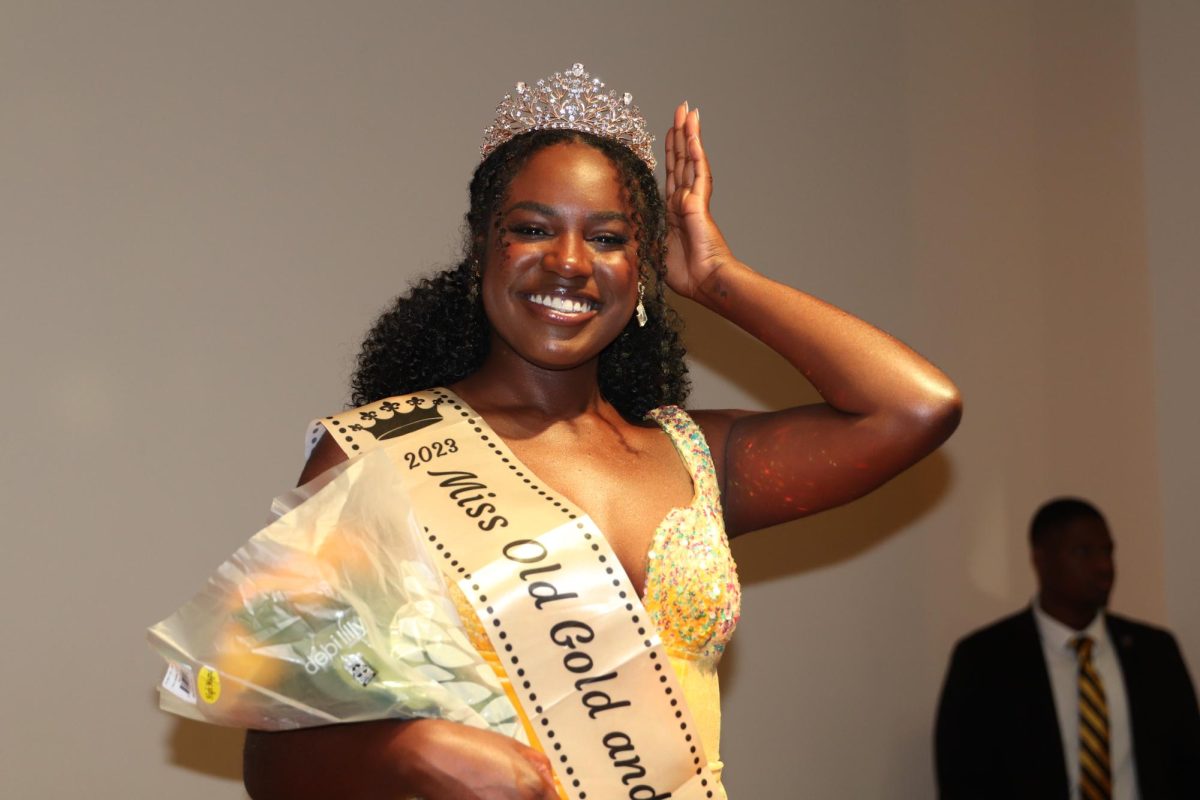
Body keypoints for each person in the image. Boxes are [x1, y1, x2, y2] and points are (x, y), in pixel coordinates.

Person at [242, 64, 961, 800]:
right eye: (531, 229)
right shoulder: (385, 452)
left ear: (643, 267)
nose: (570, 263)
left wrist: (718, 277)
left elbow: (914, 408)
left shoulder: (694, 456)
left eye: (610, 238)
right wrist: (406, 752)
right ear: (481, 246)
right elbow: (272, 759)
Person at [934, 497, 1200, 800]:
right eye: (1083, 552)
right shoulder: (984, 660)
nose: (1104, 566)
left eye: (1108, 551)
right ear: (1040, 559)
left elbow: (1189, 768)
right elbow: (963, 781)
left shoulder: (1155, 652)